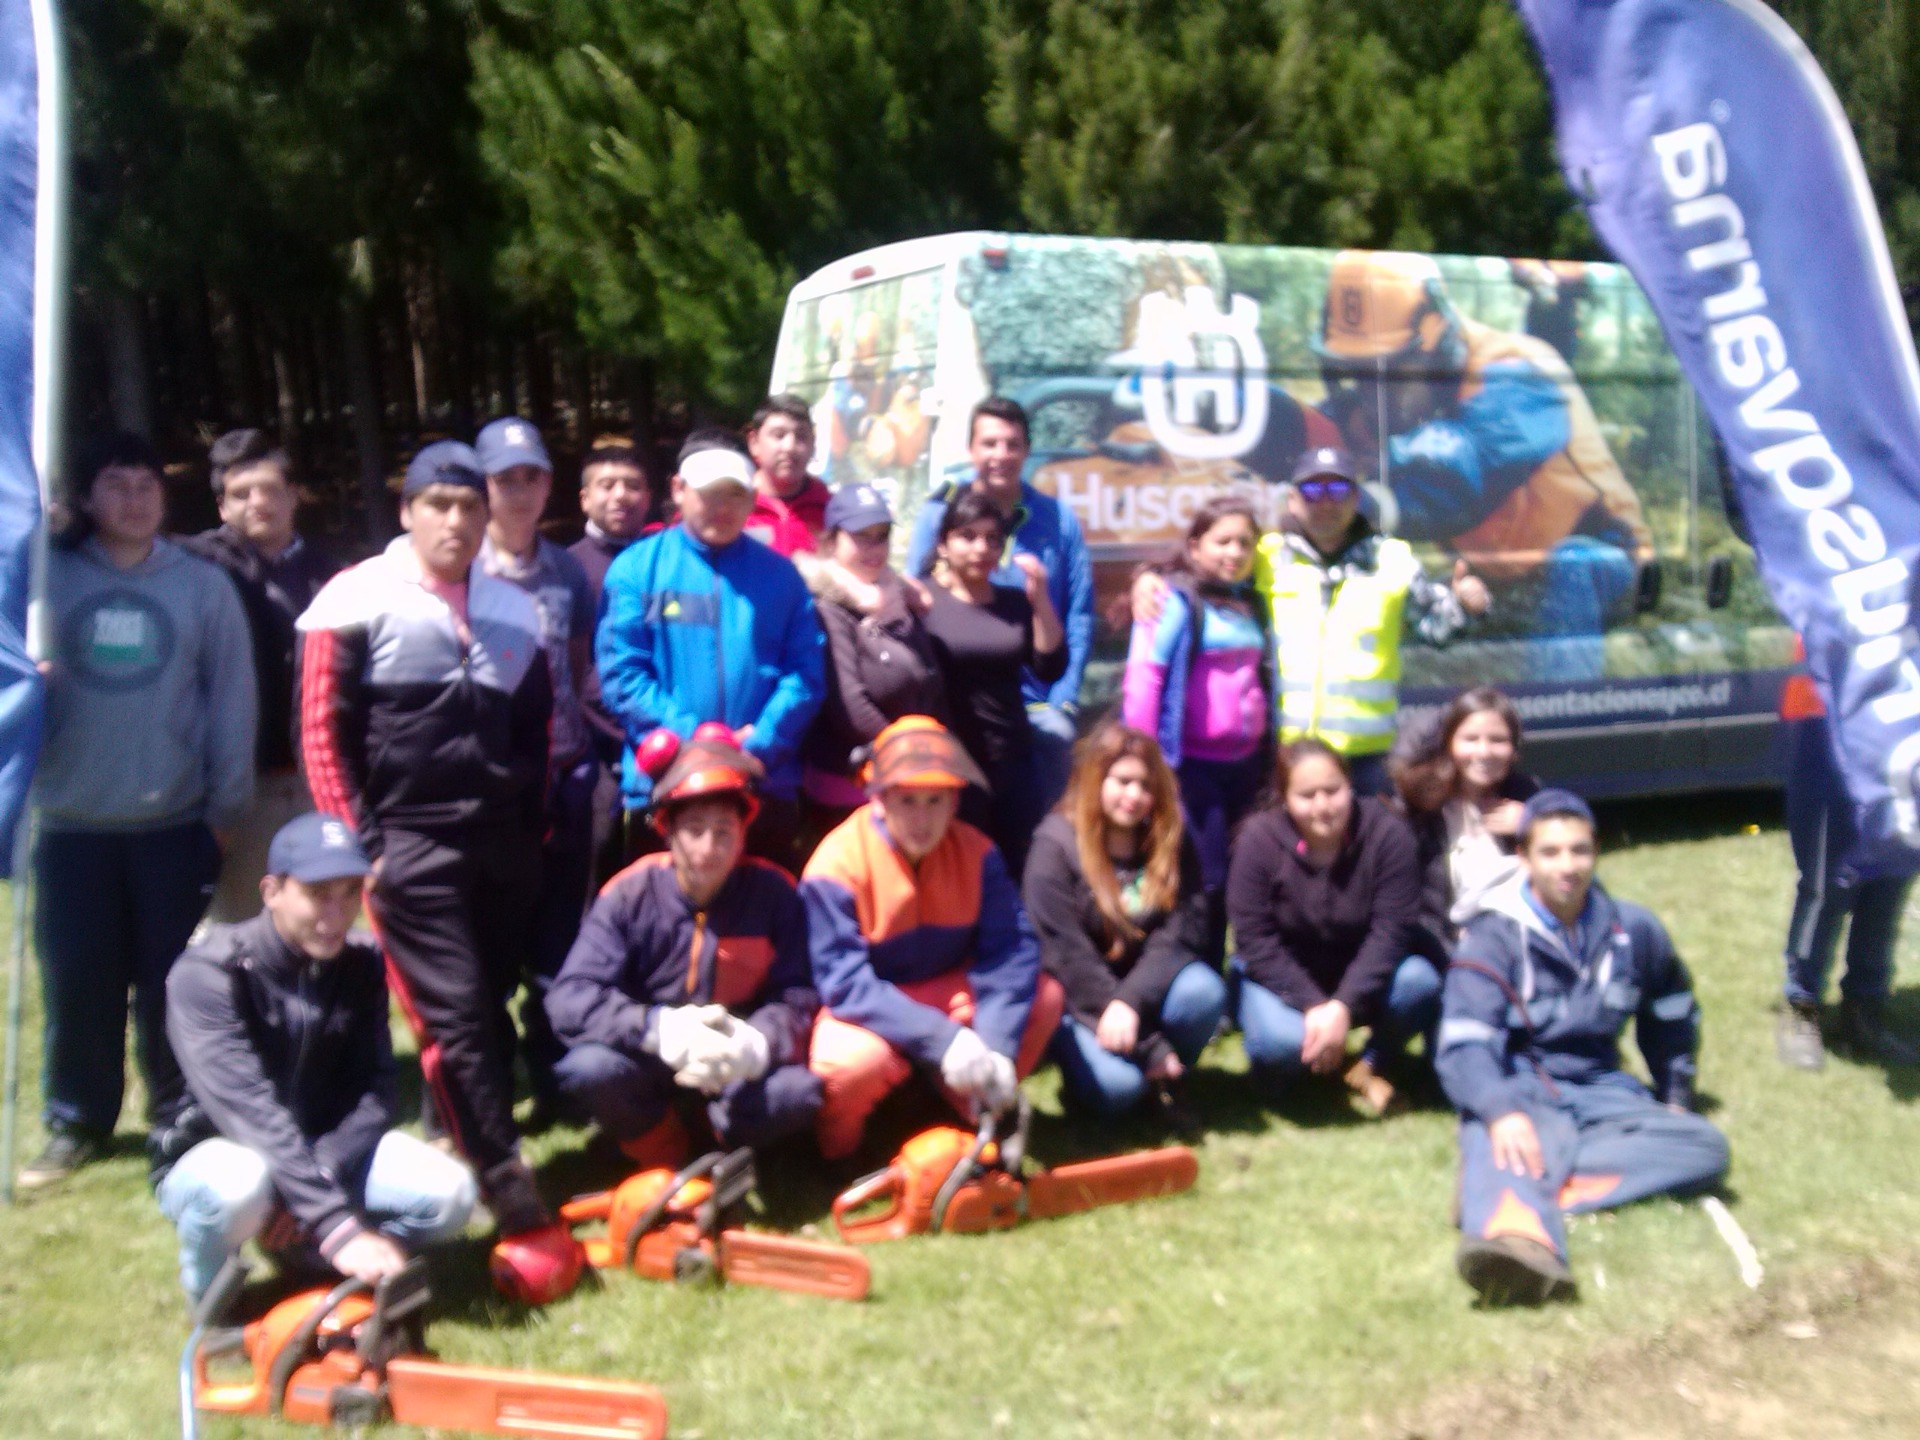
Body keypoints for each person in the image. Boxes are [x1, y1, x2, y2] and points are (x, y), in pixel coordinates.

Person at [298, 439, 579, 1304]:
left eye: (469, 507)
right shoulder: (353, 598)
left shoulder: (514, 609)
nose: (456, 522)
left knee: (485, 1007)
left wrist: (530, 831)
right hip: (408, 846)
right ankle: (505, 1178)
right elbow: (322, 732)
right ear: (407, 511)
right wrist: (363, 849)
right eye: (439, 506)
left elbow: (537, 730)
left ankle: (457, 1137)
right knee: (452, 1018)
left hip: (500, 845)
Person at [21, 432, 257, 1189]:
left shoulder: (201, 585)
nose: (133, 499)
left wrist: (225, 806)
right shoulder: (44, 581)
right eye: (116, 485)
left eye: (146, 485)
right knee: (78, 982)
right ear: (87, 498)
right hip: (71, 824)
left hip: (174, 823)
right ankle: (77, 1120)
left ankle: (177, 1112)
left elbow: (231, 698)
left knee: (170, 985)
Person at [155, 815, 476, 1304]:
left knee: (451, 1195)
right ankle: (214, 1312)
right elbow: (248, 1108)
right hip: (218, 1152)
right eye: (318, 894)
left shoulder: (362, 962)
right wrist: (333, 1221)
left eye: (350, 894)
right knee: (240, 1187)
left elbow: (376, 1091)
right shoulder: (209, 974)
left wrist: (322, 1174)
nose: (337, 914)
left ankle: (313, 1265)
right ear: (271, 892)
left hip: (319, 1152)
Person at [1438, 790, 1729, 1304]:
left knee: (1705, 1147)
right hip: (1521, 1086)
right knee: (1505, 1137)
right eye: (1550, 852)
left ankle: (1524, 1180)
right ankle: (1520, 1242)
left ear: (1596, 852)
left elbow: (1672, 1014)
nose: (1567, 866)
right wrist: (1500, 1111)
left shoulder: (1633, 930)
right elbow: (1464, 1046)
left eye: (1579, 851)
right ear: (1524, 858)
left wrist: (1675, 1096)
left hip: (1601, 1086)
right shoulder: (1491, 937)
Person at [1315, 249, 1654, 680]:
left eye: (1389, 371)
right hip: (1500, 575)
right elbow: (1310, 437)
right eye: (1359, 373)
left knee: (1573, 565)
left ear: (1432, 344)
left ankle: (1566, 704)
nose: (1371, 392)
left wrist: (1344, 507)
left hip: (1605, 554)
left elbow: (1456, 475)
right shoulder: (1400, 400)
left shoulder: (1520, 371)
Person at [1134, 447, 1487, 798]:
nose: (1325, 502)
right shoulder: (1266, 555)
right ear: (1292, 499)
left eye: (1338, 490)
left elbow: (1439, 628)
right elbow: (1206, 572)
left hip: (1365, 757)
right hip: (1286, 755)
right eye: (1312, 490)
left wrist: (1466, 606)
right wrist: (1150, 578)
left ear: (1356, 498)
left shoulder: (1391, 559)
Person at [546, 733, 821, 1165]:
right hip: (651, 1058)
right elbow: (570, 996)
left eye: (723, 831)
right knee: (589, 1068)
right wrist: (656, 1028)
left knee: (797, 1093)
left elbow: (800, 994)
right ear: (667, 831)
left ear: (743, 832)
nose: (709, 848)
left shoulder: (776, 894)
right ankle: (664, 1150)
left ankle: (723, 1142)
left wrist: (755, 1043)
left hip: (735, 1064)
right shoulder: (628, 894)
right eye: (694, 830)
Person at [800, 716, 1066, 1159]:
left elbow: (1012, 950)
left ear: (955, 801)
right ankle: (839, 1157)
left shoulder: (978, 852)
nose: (922, 819)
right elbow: (844, 984)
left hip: (947, 991)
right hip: (870, 1007)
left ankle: (975, 1107)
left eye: (935, 801)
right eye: (908, 800)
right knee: (846, 1067)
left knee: (1046, 997)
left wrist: (998, 1046)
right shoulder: (835, 866)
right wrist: (945, 1040)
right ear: (879, 798)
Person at [596, 429, 826, 869]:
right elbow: (622, 676)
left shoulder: (782, 577)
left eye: (734, 495)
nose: (722, 507)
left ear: (752, 499)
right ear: (678, 490)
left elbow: (804, 674)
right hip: (665, 781)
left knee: (765, 906)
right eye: (709, 493)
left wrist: (760, 743)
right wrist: (696, 743)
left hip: (761, 780)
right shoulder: (636, 570)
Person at [475, 416, 602, 1125]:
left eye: (531, 478)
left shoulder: (566, 571)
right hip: (495, 787)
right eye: (505, 479)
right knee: (493, 943)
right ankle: (492, 1088)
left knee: (560, 943)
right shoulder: (463, 569)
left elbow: (576, 666)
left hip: (565, 777)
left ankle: (559, 1080)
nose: (519, 492)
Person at [1024, 724, 1226, 1124]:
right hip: (1080, 1000)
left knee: (1203, 993)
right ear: (1094, 779)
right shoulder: (1054, 846)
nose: (1134, 796)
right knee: (1117, 1089)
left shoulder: (1168, 839)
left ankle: (1168, 1086)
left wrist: (1131, 1001)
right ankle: (1102, 1083)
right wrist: (1148, 1045)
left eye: (1145, 785)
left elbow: (1181, 932)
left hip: (1144, 992)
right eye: (1122, 781)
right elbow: (1066, 956)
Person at [1224, 738, 1435, 1116]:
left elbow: (1392, 931)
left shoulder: (1388, 834)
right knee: (1281, 1043)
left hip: (1358, 976)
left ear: (1350, 785)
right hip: (1279, 979)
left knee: (1420, 980)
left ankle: (1371, 1061)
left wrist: (1342, 1006)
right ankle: (1291, 1072)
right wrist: (1314, 1004)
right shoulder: (1258, 840)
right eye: (1307, 796)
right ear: (1284, 798)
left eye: (1332, 791)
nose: (1322, 806)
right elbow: (1254, 940)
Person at [180, 428, 340, 922]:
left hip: (316, 779)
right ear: (221, 507)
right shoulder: (195, 567)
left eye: (270, 489)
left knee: (320, 918)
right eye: (241, 493)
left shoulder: (331, 574)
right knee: (243, 923)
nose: (258, 502)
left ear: (294, 495)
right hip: (239, 785)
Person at [905, 396, 1094, 807]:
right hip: (961, 703)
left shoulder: (1057, 519)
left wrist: (1063, 698)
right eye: (989, 443)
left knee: (1042, 812)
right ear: (971, 449)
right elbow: (914, 597)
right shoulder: (939, 513)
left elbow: (1079, 614)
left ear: (1027, 451)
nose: (1001, 455)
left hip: (1039, 700)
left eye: (1012, 444)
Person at [1120, 495, 1274, 962]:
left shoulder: (1251, 602)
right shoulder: (1172, 600)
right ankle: (1201, 972)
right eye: (1222, 541)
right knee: (1207, 879)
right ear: (1195, 547)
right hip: (1192, 767)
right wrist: (1144, 762)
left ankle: (1245, 975)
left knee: (1248, 876)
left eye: (1244, 543)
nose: (1234, 552)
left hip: (1247, 766)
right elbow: (1144, 680)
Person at [921, 487, 1066, 879]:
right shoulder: (923, 602)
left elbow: (1050, 667)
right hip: (953, 762)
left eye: (991, 539)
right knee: (960, 871)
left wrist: (1040, 599)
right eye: (968, 536)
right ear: (944, 544)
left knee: (1020, 867)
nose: (981, 549)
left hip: (1013, 758)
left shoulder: (1014, 602)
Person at [1775, 685, 1919, 1070]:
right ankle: (1801, 1007)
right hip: (1830, 731)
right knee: (1826, 884)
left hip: (1902, 742)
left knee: (1891, 880)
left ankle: (1863, 1010)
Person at [803, 482, 948, 832]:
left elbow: (929, 677)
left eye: (881, 536)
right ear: (832, 541)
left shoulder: (897, 599)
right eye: (861, 537)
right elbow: (850, 706)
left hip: (911, 776)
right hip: (849, 783)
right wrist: (908, 754)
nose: (874, 548)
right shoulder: (826, 609)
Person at [1390, 686, 1540, 963]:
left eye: (1497, 740)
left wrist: (1535, 826)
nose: (1484, 752)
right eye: (1470, 739)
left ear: (1514, 748)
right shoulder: (1420, 806)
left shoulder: (1527, 796)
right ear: (1448, 744)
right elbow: (1409, 903)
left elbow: (1570, 868)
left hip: (1518, 939)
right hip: (1442, 944)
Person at [570, 434, 657, 605]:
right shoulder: (567, 568)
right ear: (585, 499)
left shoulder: (666, 560)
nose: (620, 495)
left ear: (647, 499)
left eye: (632, 486)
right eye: (607, 486)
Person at [744, 393, 832, 560]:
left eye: (801, 436)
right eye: (779, 435)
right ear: (754, 442)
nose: (790, 447)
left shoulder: (831, 509)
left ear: (813, 444)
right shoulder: (734, 505)